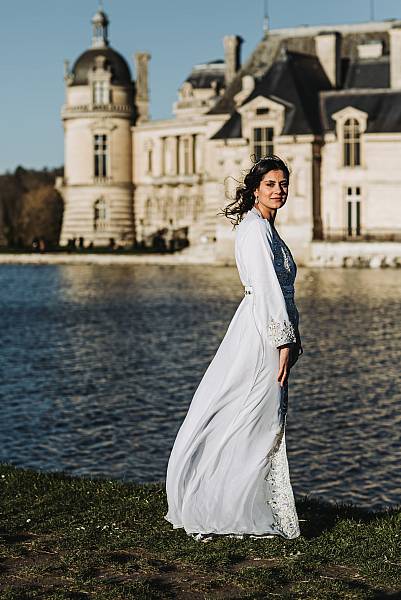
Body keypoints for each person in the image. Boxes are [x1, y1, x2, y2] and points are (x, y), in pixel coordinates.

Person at [164, 155, 303, 541]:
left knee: (258, 416)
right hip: (261, 331)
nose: (279, 191)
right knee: (255, 415)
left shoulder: (264, 227)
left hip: (264, 325)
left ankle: (247, 500)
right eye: (271, 184)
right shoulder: (255, 230)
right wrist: (283, 340)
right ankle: (231, 503)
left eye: (283, 184)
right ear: (256, 188)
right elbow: (267, 289)